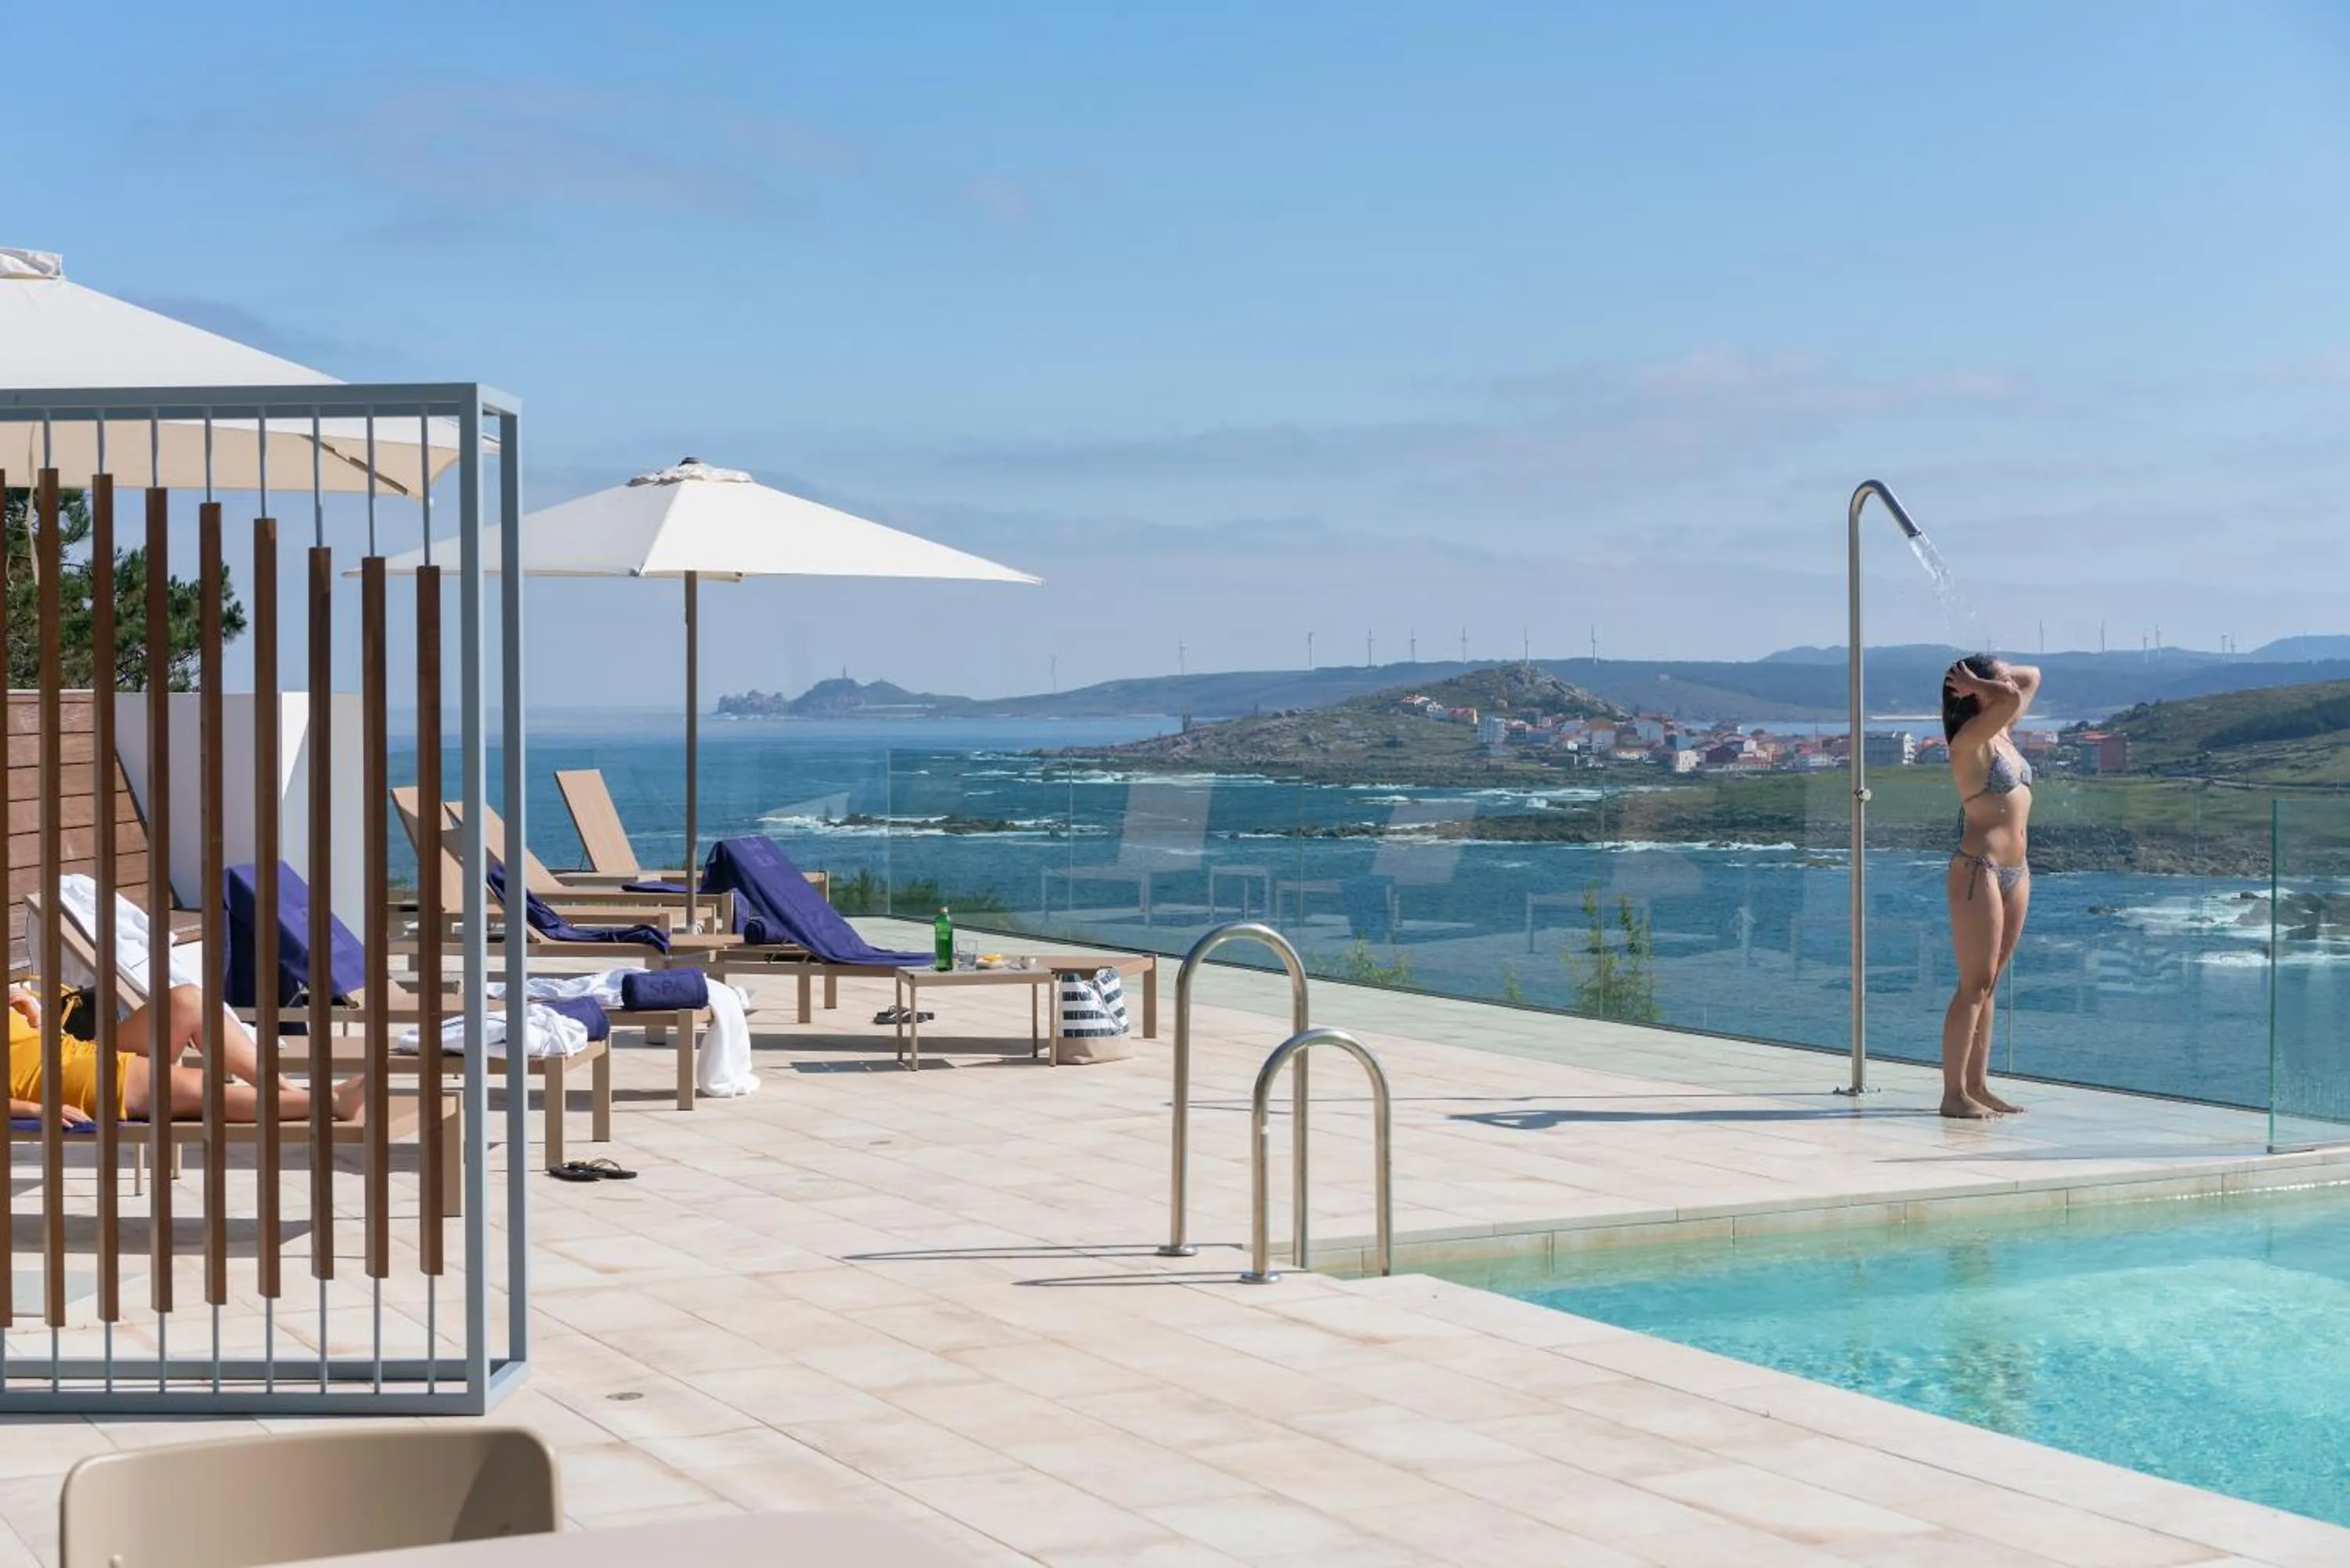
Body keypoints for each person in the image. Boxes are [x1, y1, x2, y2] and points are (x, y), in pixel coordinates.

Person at [5, 981, 364, 1126]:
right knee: (201, 1089)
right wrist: (37, 1109)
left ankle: (284, 1089)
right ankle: (329, 1102)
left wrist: (35, 1017)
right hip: (69, 1081)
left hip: (79, 1052)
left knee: (187, 1000)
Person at [1940, 654, 2040, 1118]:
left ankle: (1978, 1085)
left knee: (1991, 981)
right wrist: (1981, 682)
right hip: (1979, 869)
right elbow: (2013, 692)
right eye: (1995, 680)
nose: (2006, 682)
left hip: (2016, 871)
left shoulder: (2001, 732)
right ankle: (1952, 1093)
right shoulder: (1971, 740)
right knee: (1973, 983)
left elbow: (2030, 678)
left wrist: (1980, 678)